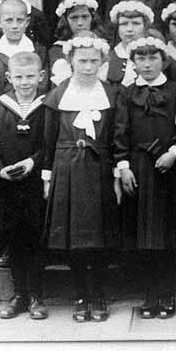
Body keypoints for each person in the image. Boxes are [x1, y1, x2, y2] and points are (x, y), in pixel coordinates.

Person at [42, 35, 119, 322]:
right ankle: (80, 295)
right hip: (67, 168)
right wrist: (47, 178)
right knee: (74, 238)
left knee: (97, 237)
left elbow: (115, 137)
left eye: (93, 61)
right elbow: (48, 140)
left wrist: (115, 171)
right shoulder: (57, 96)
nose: (87, 67)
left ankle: (98, 294)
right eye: (82, 61)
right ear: (70, 62)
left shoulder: (111, 95)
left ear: (102, 63)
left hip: (99, 169)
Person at [114, 36, 176, 319]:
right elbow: (119, 132)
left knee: (167, 234)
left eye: (153, 59)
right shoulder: (126, 93)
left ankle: (166, 292)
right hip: (138, 167)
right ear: (133, 63)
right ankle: (149, 294)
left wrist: (174, 153)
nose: (147, 64)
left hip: (167, 167)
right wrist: (123, 167)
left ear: (163, 60)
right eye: (141, 59)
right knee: (143, 235)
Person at [0, 51, 48, 320]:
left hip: (35, 186)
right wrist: (1, 170)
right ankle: (18, 294)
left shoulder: (46, 107)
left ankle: (36, 296)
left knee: (35, 240)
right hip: (8, 186)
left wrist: (34, 162)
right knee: (14, 240)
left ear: (41, 77)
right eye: (18, 77)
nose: (24, 82)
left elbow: (51, 143)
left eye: (30, 76)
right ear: (9, 77)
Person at [0, 0, 48, 100]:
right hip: (0, 111)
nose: (15, 26)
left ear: (27, 22)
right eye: (9, 20)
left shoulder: (39, 52)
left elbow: (43, 86)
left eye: (20, 20)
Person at [48, 0, 102, 87]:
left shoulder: (102, 45)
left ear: (92, 18)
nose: (80, 23)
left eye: (85, 17)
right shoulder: (57, 50)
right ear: (66, 21)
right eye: (74, 18)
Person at [103, 0, 153, 87]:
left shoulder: (155, 55)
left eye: (136, 23)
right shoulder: (108, 57)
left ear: (145, 26)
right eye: (124, 24)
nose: (129, 29)